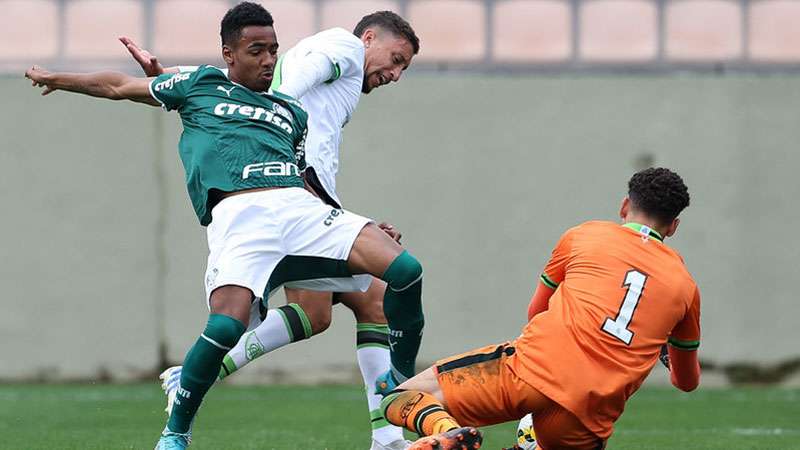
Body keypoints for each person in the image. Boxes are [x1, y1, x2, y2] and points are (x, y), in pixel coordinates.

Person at [25, 3, 425, 449]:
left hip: (301, 203)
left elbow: (280, 148)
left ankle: (392, 415)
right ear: (370, 39)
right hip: (255, 214)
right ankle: (187, 406)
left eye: (274, 49)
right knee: (249, 321)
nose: (396, 73)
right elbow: (128, 86)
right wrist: (57, 78)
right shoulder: (343, 51)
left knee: (347, 303)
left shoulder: (283, 111)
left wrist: (351, 224)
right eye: (396, 59)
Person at [379, 168, 701, 450]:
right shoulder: (685, 287)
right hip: (590, 411)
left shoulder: (585, 235)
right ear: (673, 226)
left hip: (534, 370)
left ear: (625, 206)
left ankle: (447, 435)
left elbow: (536, 310)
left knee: (400, 399)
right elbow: (686, 382)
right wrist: (665, 353)